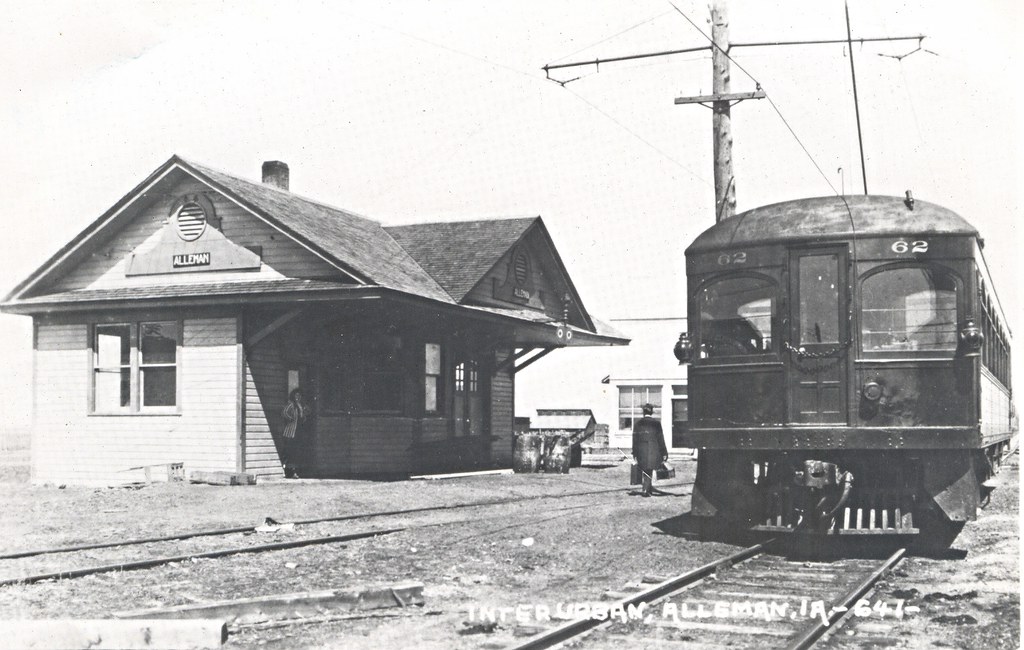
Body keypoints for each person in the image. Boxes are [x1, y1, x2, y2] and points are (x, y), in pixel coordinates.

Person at [632, 403, 668, 496]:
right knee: (649, 469)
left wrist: (634, 453)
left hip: (641, 449)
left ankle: (648, 487)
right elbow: (660, 439)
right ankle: (645, 489)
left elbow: (635, 439)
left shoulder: (638, 423)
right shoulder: (656, 423)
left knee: (644, 468)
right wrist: (664, 452)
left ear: (643, 412)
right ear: (652, 412)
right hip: (653, 449)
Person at [281, 387, 309, 478]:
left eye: (299, 395)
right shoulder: (291, 405)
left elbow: (304, 415)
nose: (298, 397)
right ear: (293, 396)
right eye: (296, 395)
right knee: (290, 452)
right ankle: (289, 472)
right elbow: (284, 412)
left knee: (296, 452)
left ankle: (294, 471)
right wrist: (291, 419)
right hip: (290, 432)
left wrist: (304, 416)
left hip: (298, 431)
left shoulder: (301, 405)